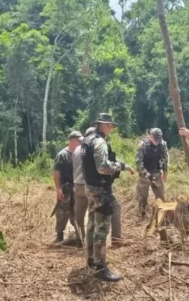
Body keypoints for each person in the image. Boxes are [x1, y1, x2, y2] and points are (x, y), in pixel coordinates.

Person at [82, 113, 131, 282]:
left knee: (91, 224)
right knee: (101, 229)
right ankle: (100, 267)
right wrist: (120, 166)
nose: (111, 129)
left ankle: (90, 259)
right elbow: (103, 167)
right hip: (100, 190)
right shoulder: (99, 142)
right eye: (111, 126)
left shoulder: (87, 141)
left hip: (90, 188)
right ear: (106, 125)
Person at [73, 127, 124, 248]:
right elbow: (102, 167)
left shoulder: (78, 150)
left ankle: (81, 241)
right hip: (96, 187)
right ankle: (102, 256)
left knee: (86, 217)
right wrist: (118, 166)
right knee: (102, 222)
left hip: (82, 185)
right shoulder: (98, 145)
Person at [52, 131, 83, 243]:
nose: (81, 143)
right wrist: (58, 188)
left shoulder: (79, 153)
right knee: (62, 212)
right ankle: (59, 236)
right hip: (65, 188)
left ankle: (79, 236)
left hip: (76, 188)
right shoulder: (62, 155)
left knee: (77, 212)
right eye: (79, 141)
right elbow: (56, 172)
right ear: (72, 140)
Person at [136, 128, 169, 217]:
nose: (157, 142)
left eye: (159, 140)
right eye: (155, 140)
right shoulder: (143, 145)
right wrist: (145, 173)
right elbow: (138, 162)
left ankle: (161, 214)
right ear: (150, 137)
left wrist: (165, 171)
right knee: (142, 196)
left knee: (161, 195)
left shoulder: (162, 144)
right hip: (144, 175)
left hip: (157, 173)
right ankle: (142, 214)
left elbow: (165, 159)